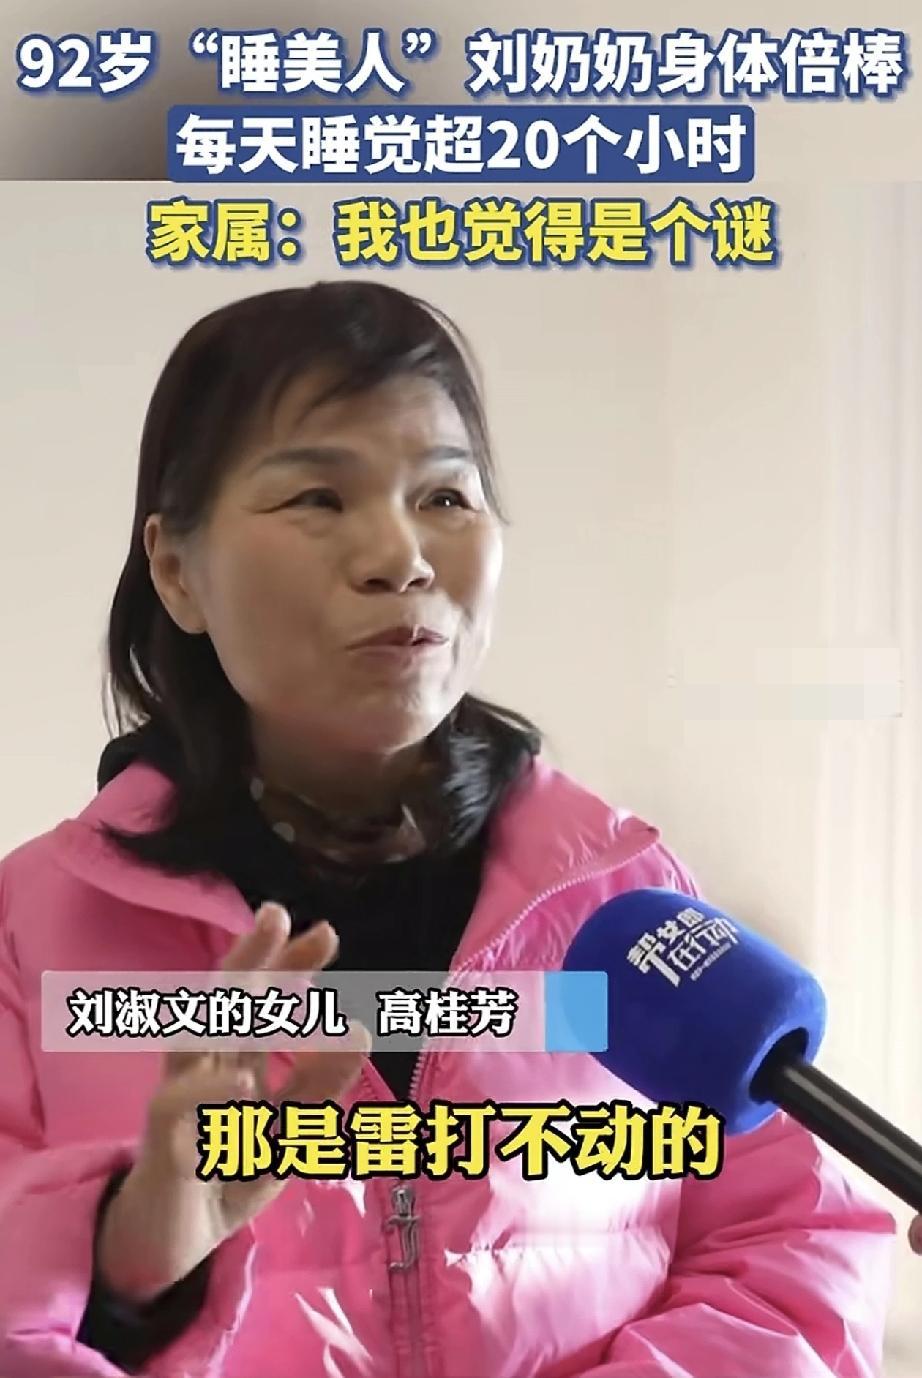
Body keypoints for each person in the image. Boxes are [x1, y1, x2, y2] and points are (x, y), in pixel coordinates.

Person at [0, 281, 896, 1378]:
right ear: (178, 571)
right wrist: (123, 1266)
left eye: (445, 496)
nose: (401, 555)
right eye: (318, 497)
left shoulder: (621, 900)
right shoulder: (32, 933)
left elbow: (795, 1239)